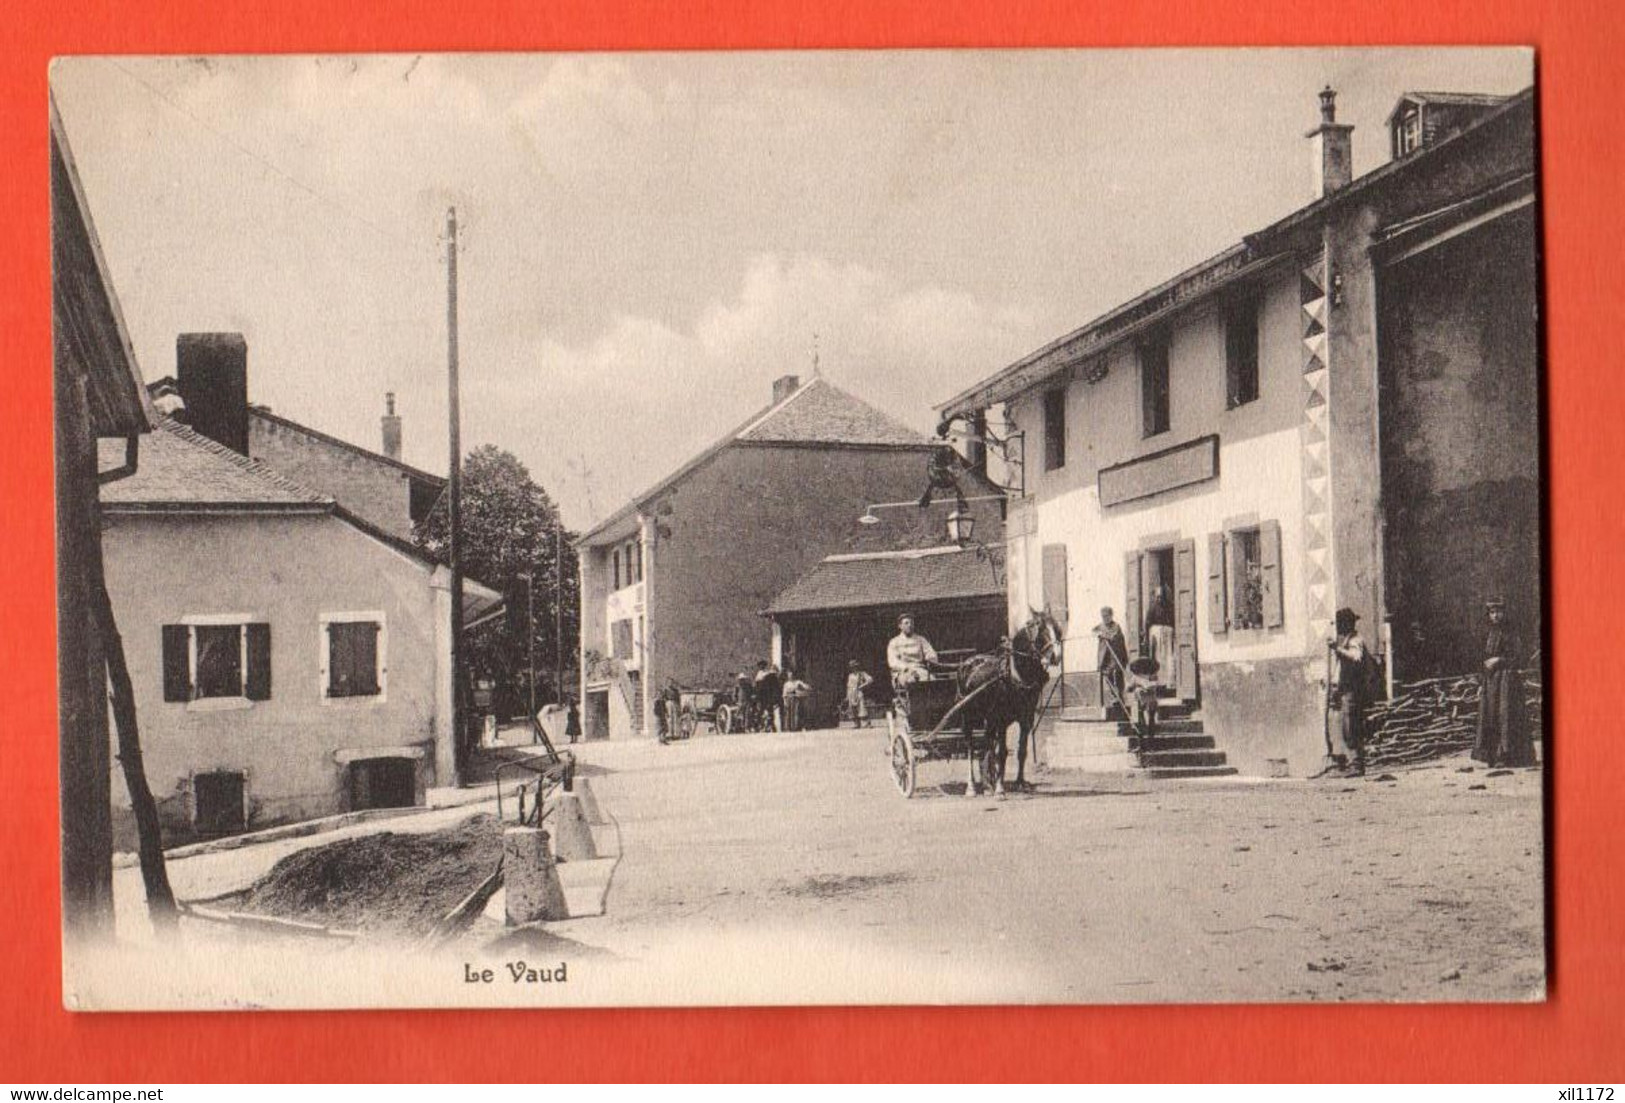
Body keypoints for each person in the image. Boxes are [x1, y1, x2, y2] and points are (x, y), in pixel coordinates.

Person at [1471, 599, 1536, 768]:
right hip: (1490, 681)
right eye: (1492, 612)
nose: (1495, 616)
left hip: (1508, 681)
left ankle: (1507, 755)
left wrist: (1499, 659)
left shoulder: (1511, 633)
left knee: (1505, 715)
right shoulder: (1486, 633)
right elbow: (1482, 659)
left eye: (1498, 612)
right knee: (1490, 715)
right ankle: (1492, 755)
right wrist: (1481, 682)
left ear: (1504, 613)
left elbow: (1519, 658)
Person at [1327, 606, 1374, 777]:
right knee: (1344, 726)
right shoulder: (1344, 640)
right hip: (1344, 689)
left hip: (1353, 690)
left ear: (1347, 624)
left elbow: (1356, 657)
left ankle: (1357, 764)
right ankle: (1349, 761)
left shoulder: (1355, 640)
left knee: (1351, 726)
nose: (1338, 626)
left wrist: (1337, 649)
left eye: (1340, 623)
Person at [1092, 606, 1130, 715]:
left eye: (1107, 616)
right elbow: (1093, 631)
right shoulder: (1100, 626)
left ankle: (1120, 697)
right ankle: (1114, 696)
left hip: (1116, 656)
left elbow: (1114, 637)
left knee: (1117, 676)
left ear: (1111, 615)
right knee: (1107, 675)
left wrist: (1104, 635)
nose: (1105, 618)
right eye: (1103, 616)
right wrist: (1097, 634)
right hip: (1105, 656)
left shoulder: (1116, 626)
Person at [1145, 585, 1175, 690]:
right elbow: (1148, 623)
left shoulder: (1168, 608)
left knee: (1168, 658)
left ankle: (1168, 683)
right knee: (1158, 658)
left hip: (1167, 637)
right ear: (1155, 597)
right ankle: (1158, 683)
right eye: (1157, 597)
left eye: (1161, 597)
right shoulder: (1152, 609)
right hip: (1156, 638)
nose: (1159, 599)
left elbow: (1172, 621)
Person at [753, 660, 782, 732]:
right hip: (761, 694)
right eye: (761, 666)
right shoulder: (760, 674)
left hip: (767, 693)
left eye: (764, 665)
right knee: (763, 709)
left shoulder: (767, 674)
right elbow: (759, 684)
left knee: (769, 710)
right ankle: (759, 725)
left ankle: (770, 725)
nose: (762, 667)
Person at [845, 660, 874, 728]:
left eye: (854, 666)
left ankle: (865, 723)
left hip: (859, 692)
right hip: (851, 692)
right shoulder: (850, 675)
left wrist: (862, 686)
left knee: (861, 706)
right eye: (851, 667)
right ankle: (856, 723)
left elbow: (870, 680)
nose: (853, 668)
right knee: (852, 708)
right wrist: (847, 695)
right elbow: (848, 686)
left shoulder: (862, 673)